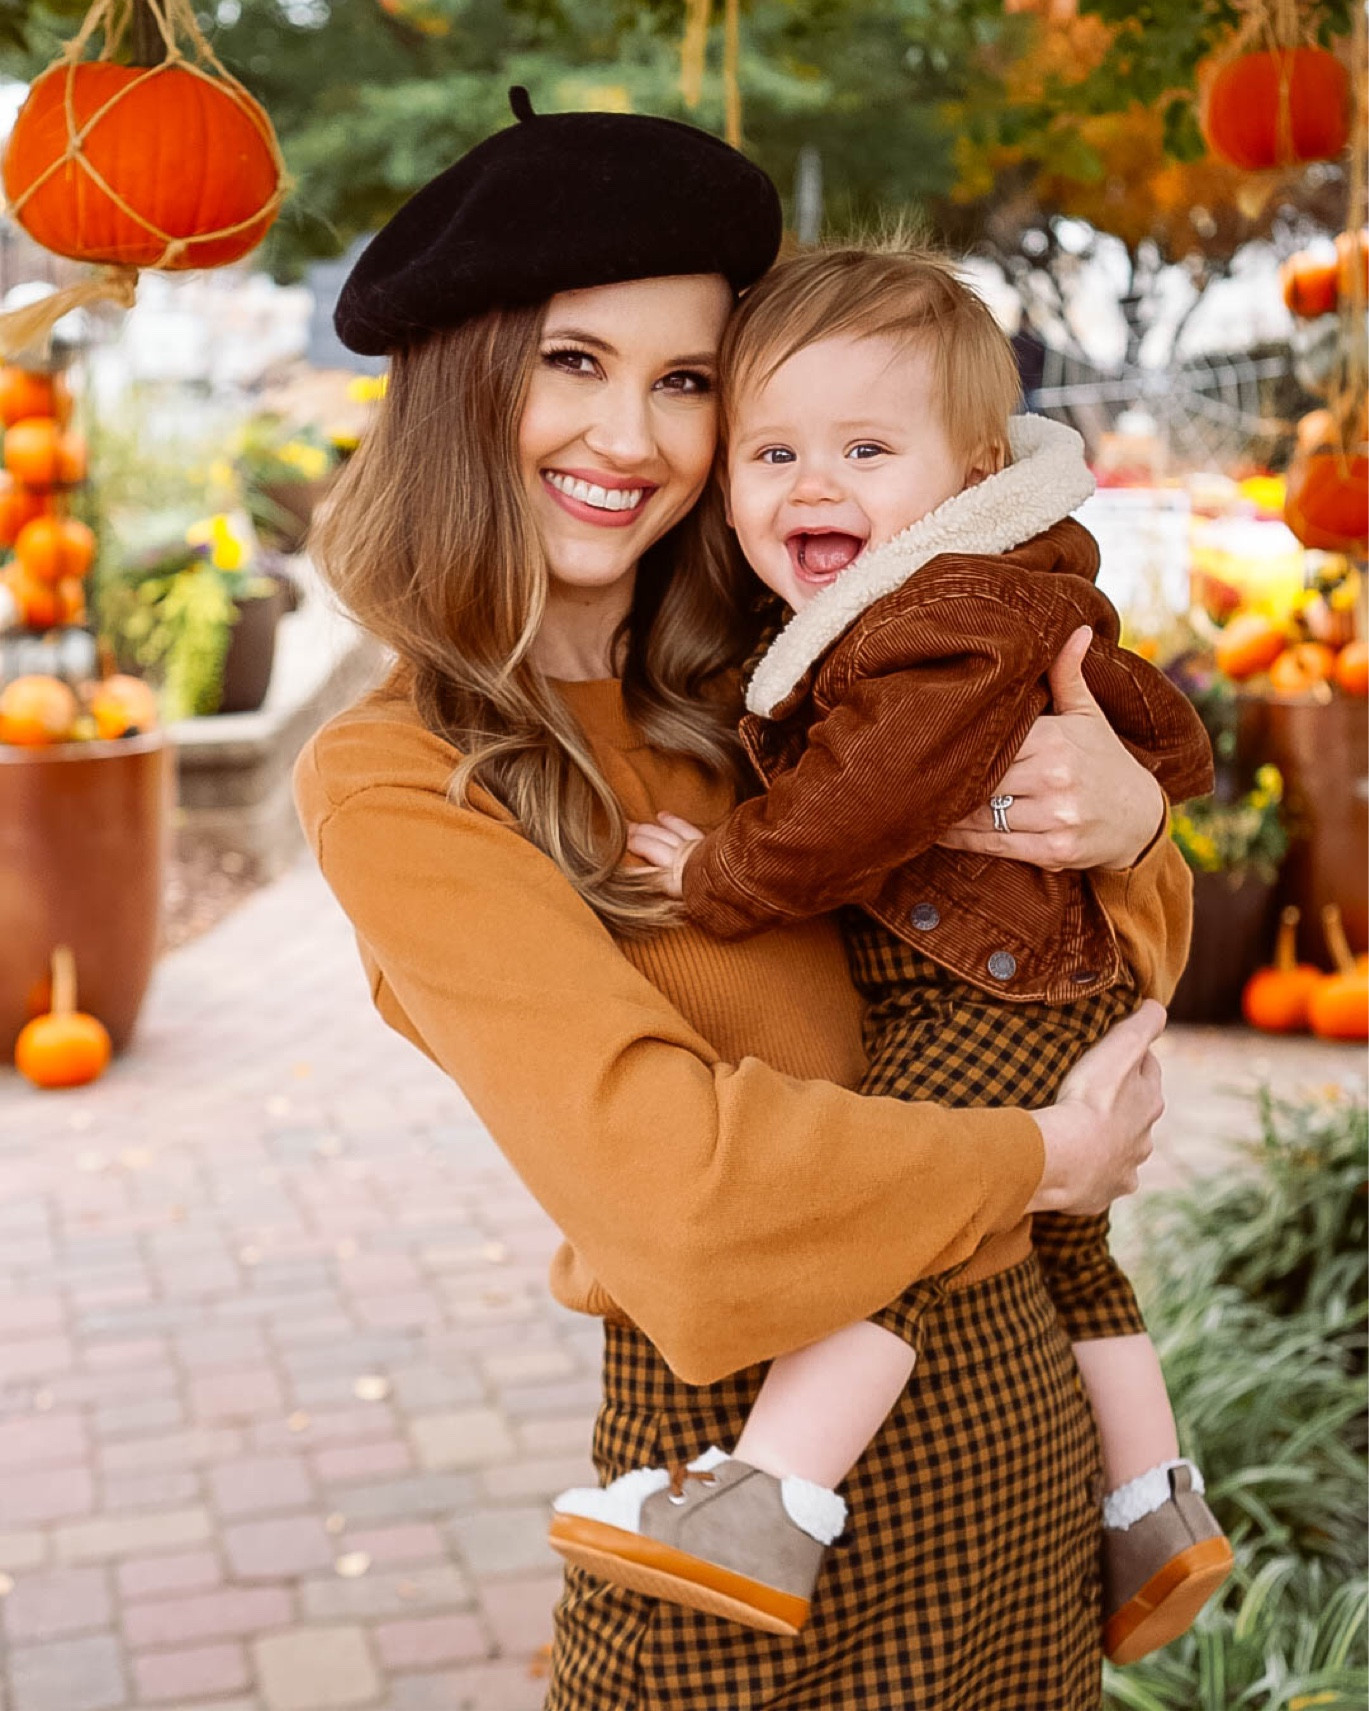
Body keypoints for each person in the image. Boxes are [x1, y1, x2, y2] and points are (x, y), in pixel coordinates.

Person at [295, 90, 1187, 1710]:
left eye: (685, 383)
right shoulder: (406, 778)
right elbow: (685, 1198)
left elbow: (1105, 972)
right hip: (744, 1506)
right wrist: (1046, 1158)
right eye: (573, 363)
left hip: (1015, 1459)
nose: (628, 440)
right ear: (460, 382)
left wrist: (1122, 820)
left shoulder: (802, 689)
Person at [551, 244, 1232, 1666]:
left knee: (884, 1220)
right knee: (1072, 1238)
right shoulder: (977, 593)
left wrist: (730, 867)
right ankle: (1155, 1510)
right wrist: (1145, 793)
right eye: (773, 450)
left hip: (981, 979)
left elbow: (861, 800)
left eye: (865, 448)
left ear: (974, 466)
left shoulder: (939, 617)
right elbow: (1168, 729)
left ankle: (767, 1504)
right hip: (1039, 974)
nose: (812, 485)